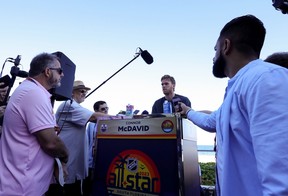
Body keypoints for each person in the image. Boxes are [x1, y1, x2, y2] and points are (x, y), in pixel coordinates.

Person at [180, 14, 288, 195]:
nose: (213, 57)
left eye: (215, 50)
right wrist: (188, 111)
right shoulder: (239, 87)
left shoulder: (266, 78)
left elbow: (282, 180)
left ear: (226, 46)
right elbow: (212, 122)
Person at [0, 52, 69, 196]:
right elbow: (51, 143)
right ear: (48, 72)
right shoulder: (33, 93)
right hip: (22, 189)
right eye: (60, 71)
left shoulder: (32, 91)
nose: (62, 75)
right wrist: (65, 156)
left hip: (24, 186)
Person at [55, 80, 112, 196]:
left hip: (73, 164)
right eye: (81, 91)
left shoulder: (74, 106)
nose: (84, 93)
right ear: (72, 93)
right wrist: (123, 118)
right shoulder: (69, 105)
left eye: (85, 91)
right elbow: (94, 117)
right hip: (67, 164)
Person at [84, 100, 109, 195]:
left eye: (107, 108)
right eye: (103, 109)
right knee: (88, 186)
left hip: (103, 161)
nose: (106, 111)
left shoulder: (111, 124)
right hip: (90, 162)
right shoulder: (91, 125)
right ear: (96, 111)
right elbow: (89, 142)